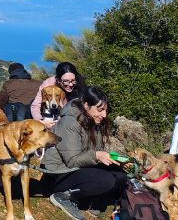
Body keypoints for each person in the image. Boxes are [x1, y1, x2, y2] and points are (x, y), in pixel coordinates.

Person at [43, 86, 126, 220]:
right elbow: (72, 161)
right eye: (100, 110)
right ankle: (63, 196)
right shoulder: (69, 122)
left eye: (105, 110)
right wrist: (97, 155)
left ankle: (90, 200)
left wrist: (114, 159)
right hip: (58, 173)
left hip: (79, 168)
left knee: (121, 176)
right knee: (106, 181)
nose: (104, 115)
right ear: (86, 105)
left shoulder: (93, 120)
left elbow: (92, 151)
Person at [30, 62, 85, 128]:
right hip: (49, 114)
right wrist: (41, 122)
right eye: (66, 81)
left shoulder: (80, 86)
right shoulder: (48, 84)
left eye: (73, 80)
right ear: (58, 80)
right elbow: (35, 105)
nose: (70, 84)